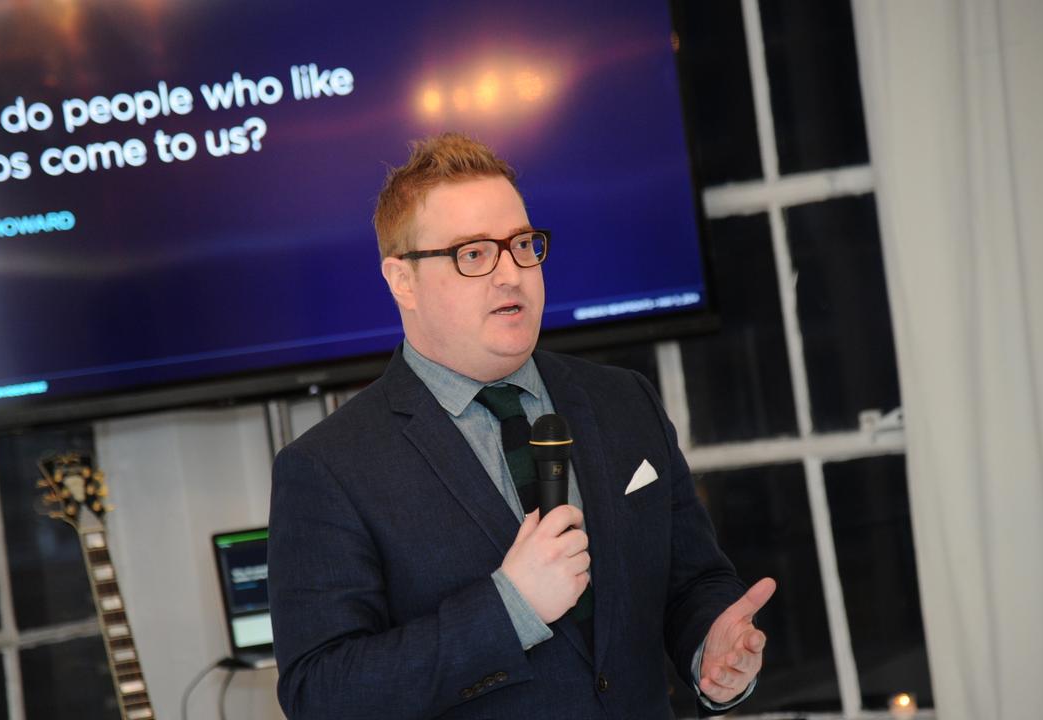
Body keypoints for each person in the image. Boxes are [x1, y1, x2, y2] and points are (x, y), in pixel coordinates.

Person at [268, 133, 775, 719]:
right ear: (401, 280)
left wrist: (708, 651)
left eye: (522, 245)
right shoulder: (330, 466)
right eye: (474, 254)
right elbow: (322, 694)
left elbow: (692, 581)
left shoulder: (621, 400)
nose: (511, 275)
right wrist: (510, 609)